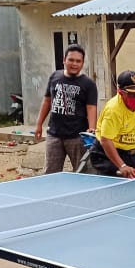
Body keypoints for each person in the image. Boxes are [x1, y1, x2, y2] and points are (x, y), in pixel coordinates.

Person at [33, 44, 98, 173]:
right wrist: (39, 124)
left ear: (82, 63)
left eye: (78, 61)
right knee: (50, 173)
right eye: (71, 60)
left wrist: (91, 130)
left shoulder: (88, 84)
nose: (74, 64)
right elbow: (47, 101)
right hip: (54, 135)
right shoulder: (54, 77)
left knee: (82, 172)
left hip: (77, 137)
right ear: (64, 60)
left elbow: (91, 108)